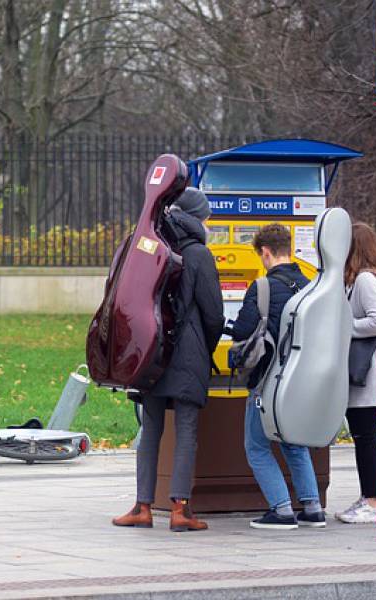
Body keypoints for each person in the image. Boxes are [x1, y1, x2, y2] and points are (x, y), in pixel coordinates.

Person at [112, 187, 224, 532]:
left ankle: (143, 506)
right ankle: (180, 509)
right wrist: (206, 345)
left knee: (151, 429)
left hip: (152, 350)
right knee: (186, 430)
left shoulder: (153, 247)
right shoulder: (199, 254)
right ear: (198, 219)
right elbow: (213, 313)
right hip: (187, 351)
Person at [229, 224, 325, 530]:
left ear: (265, 252)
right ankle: (312, 508)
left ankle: (281, 510)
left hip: (268, 380)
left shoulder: (263, 287)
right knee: (293, 442)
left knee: (256, 445)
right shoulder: (310, 285)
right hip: (301, 380)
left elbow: (245, 330)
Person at [336, 222, 376, 524]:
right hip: (363, 372)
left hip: (368, 372)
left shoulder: (366, 281)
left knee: (366, 437)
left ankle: (373, 501)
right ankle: (367, 496)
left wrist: (346, 329)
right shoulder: (360, 280)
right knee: (362, 436)